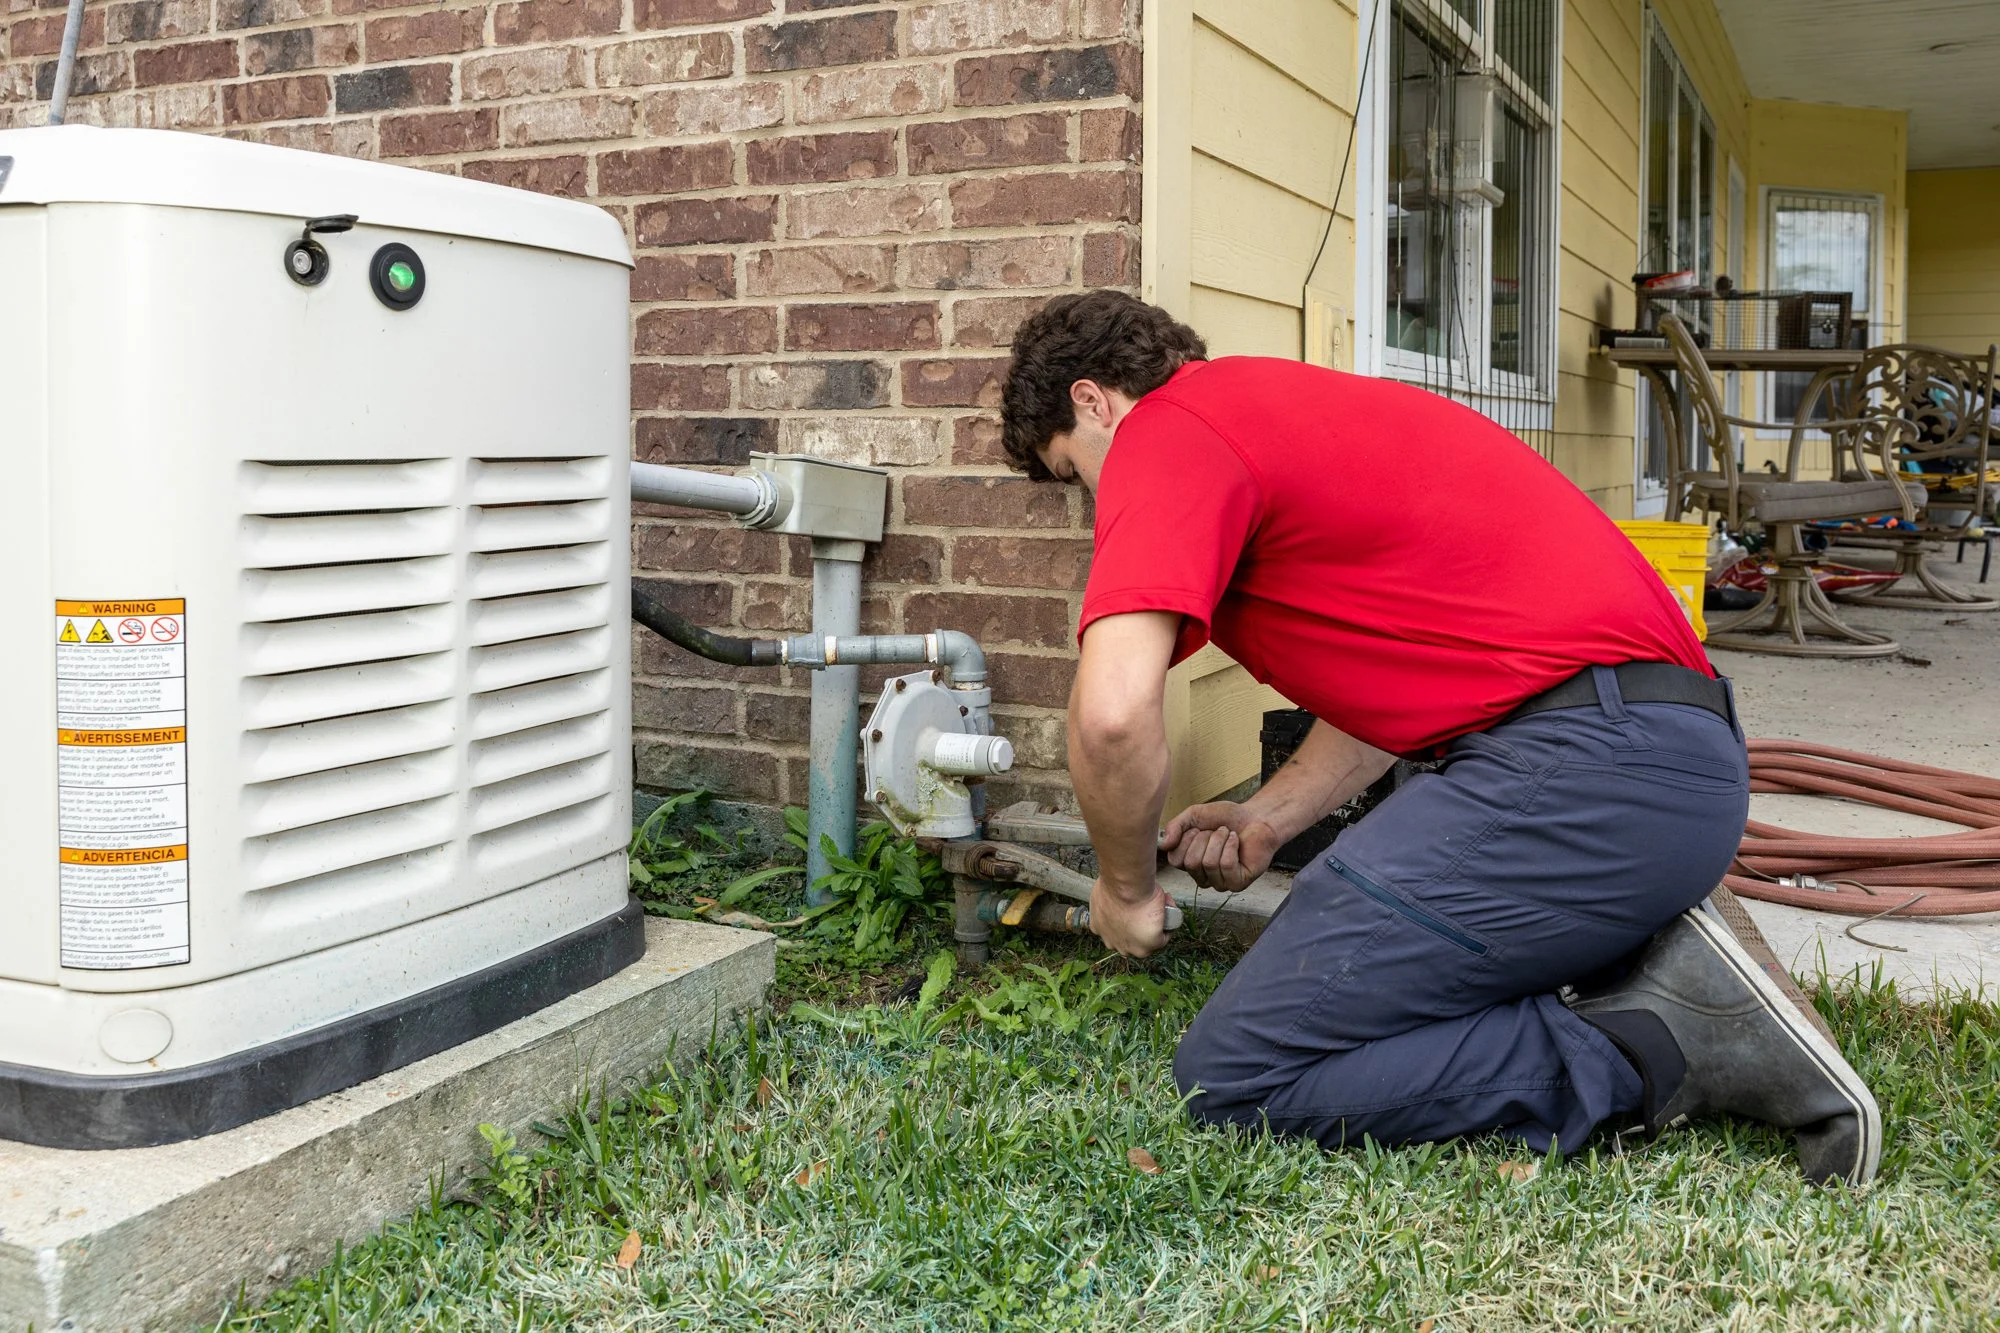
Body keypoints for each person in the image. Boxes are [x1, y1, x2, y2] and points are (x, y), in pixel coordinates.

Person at [997, 290, 1880, 1186]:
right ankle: (1642, 967)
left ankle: (1661, 1039)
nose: (1094, 502)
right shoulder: (1278, 408)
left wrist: (1123, 888)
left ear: (1093, 400)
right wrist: (1269, 816)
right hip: (1654, 767)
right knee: (1335, 966)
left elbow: (1112, 715)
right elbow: (1397, 691)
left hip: (1585, 773)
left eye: (1074, 472)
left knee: (1233, 1075)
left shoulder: (1167, 431)